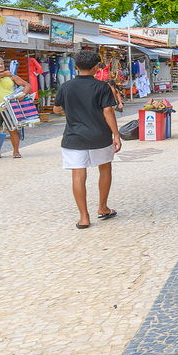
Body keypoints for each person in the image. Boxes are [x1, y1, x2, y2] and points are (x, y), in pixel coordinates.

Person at [53, 50, 122, 229]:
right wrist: (116, 134)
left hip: (73, 138)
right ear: (96, 68)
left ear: (76, 67)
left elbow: (56, 110)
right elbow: (108, 111)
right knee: (105, 168)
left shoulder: (66, 86)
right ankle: (103, 207)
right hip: (100, 136)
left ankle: (84, 217)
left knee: (78, 175)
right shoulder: (102, 87)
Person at [0, 55, 30, 159]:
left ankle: (16, 152)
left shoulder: (11, 76)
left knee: (12, 129)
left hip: (10, 107)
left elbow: (27, 85)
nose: (0, 66)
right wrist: (4, 74)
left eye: (1, 64)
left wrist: (23, 94)